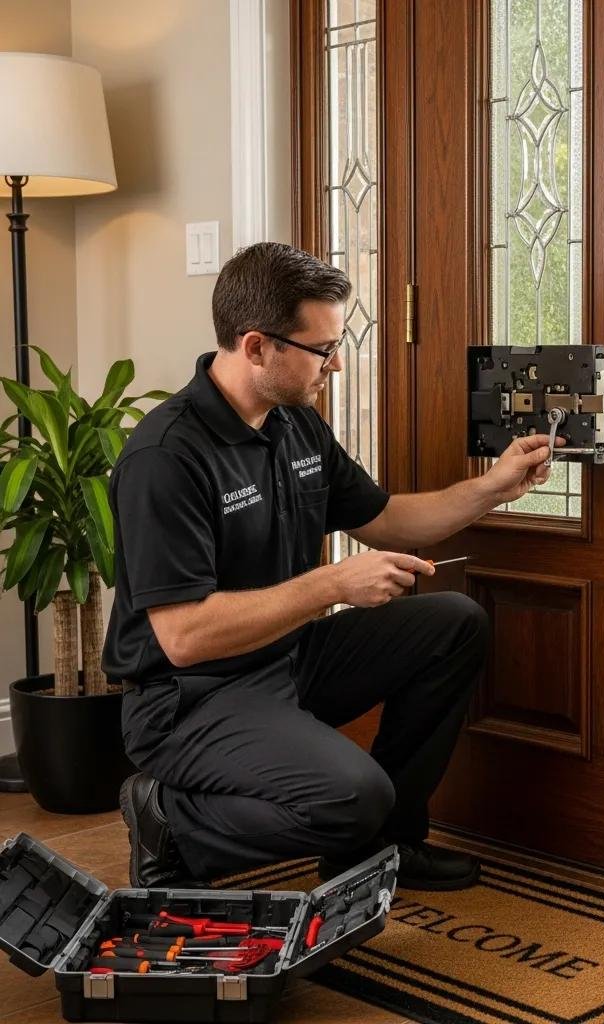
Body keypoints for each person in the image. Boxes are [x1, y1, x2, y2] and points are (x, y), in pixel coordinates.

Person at [103, 242, 561, 892]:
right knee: (354, 796)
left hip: (286, 657)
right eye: (323, 349)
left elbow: (387, 518)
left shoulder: (296, 425)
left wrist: (493, 487)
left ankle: (381, 851)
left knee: (454, 624)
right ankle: (170, 820)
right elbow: (183, 636)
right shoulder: (166, 457)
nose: (336, 363)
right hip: (189, 697)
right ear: (257, 347)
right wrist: (333, 583)